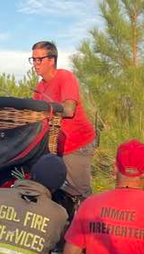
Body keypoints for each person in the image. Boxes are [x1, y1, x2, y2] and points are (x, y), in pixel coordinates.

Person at [30, 40, 96, 199]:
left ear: (52, 60)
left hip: (76, 144)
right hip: (56, 147)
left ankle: (86, 214)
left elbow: (68, 110)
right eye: (33, 59)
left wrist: (44, 112)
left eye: (39, 59)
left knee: (78, 193)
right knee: (57, 192)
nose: (35, 64)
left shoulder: (65, 77)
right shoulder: (39, 88)